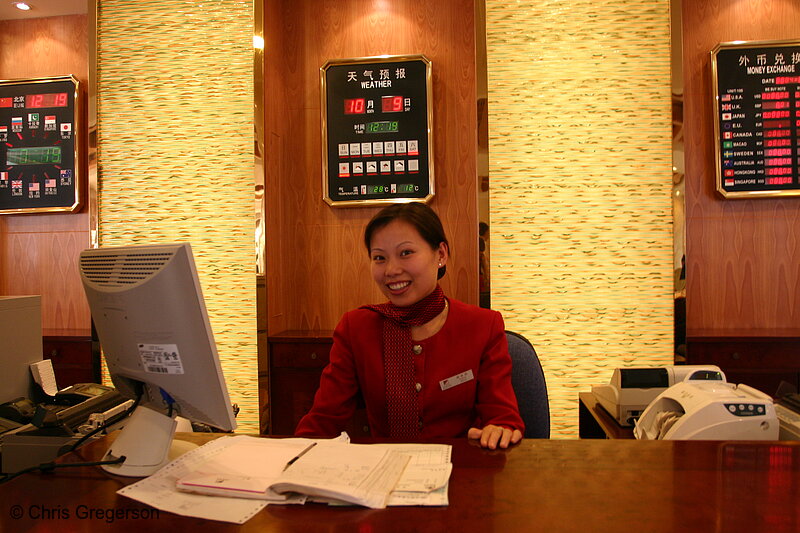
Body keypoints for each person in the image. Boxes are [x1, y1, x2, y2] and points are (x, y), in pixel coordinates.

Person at [295, 202, 524, 449]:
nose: (392, 270)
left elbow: (502, 416)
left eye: (406, 253)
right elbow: (323, 420)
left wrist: (500, 429)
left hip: (460, 473)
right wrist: (288, 459)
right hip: (381, 476)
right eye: (379, 258)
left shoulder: (482, 325)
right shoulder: (357, 328)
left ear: (441, 254)